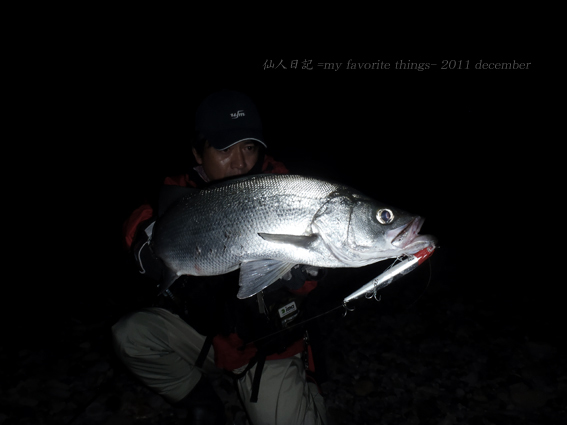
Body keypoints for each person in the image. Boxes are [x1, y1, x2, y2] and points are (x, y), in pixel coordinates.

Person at [112, 90, 328, 425]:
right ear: (198, 152)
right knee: (131, 335)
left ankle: (305, 388)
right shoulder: (183, 193)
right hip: (207, 340)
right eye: (225, 149)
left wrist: (304, 276)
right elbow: (139, 220)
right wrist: (144, 241)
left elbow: (312, 280)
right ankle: (201, 401)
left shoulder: (285, 190)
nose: (241, 161)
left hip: (266, 351)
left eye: (250, 147)